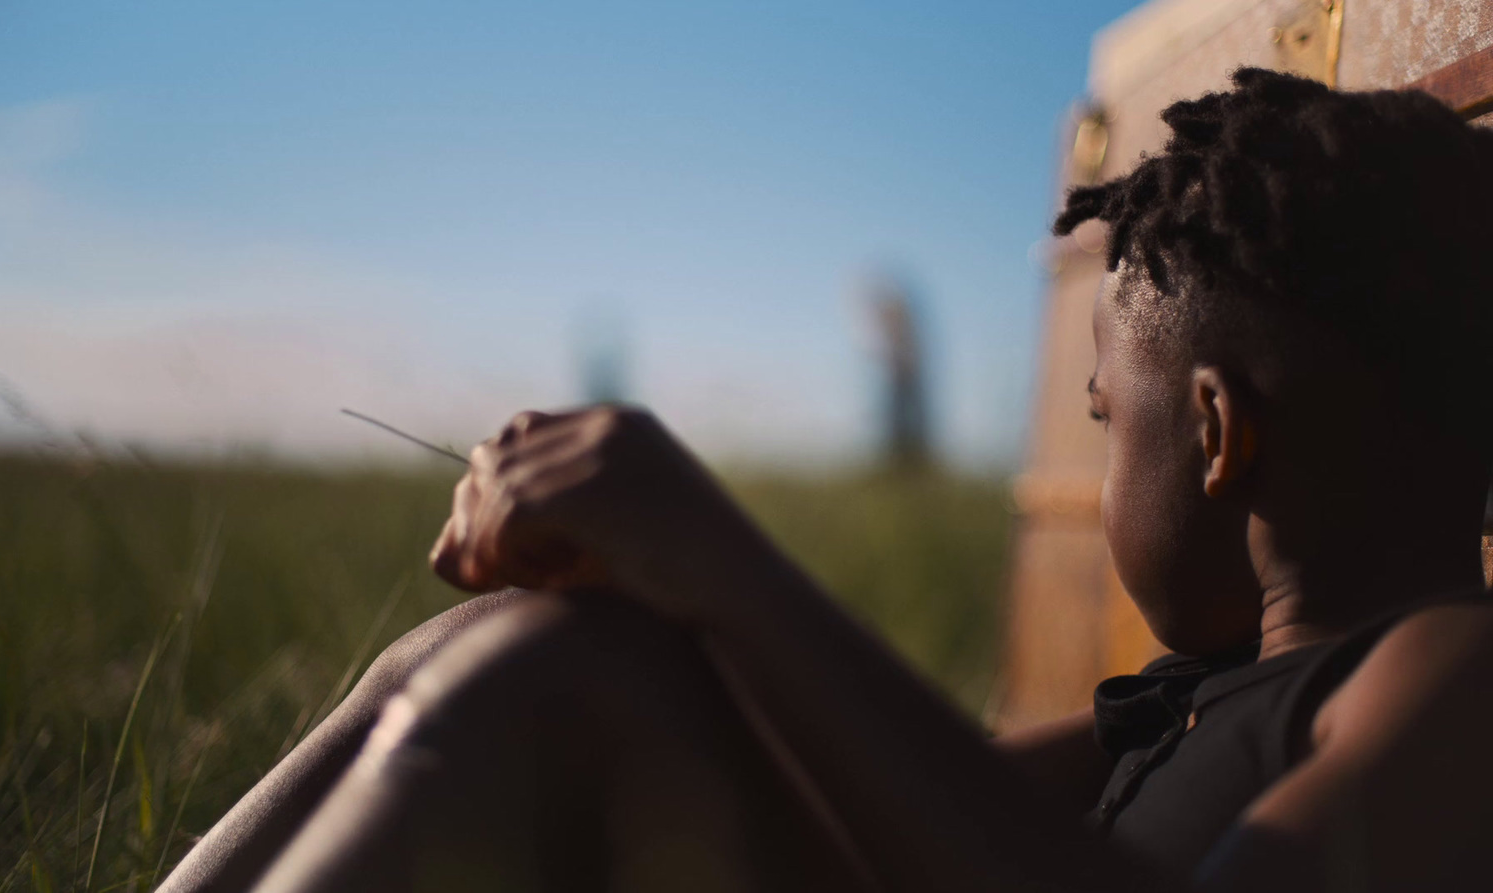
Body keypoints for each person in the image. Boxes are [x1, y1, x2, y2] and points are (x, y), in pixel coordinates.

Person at [158, 68, 1493, 893]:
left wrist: (728, 563)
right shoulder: (1193, 699)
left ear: (1216, 435)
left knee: (552, 678)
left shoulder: (1444, 675)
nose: (1095, 463)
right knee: (548, 654)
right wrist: (660, 601)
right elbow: (884, 794)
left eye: (1104, 421)